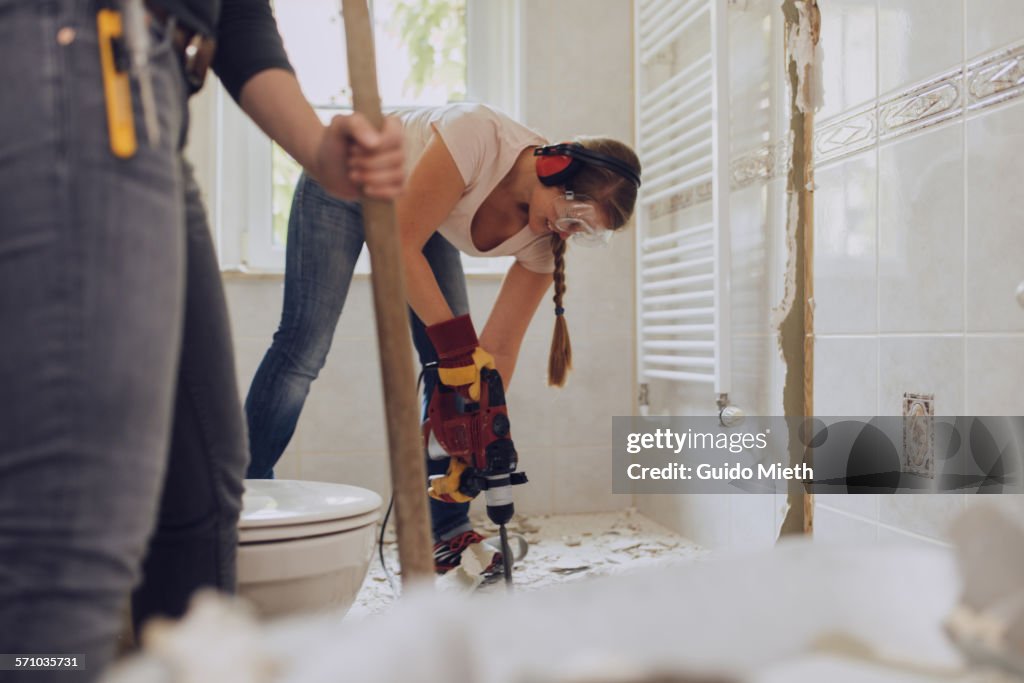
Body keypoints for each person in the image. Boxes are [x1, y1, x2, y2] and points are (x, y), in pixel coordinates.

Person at [0, 0, 404, 679]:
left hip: (145, 97)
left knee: (204, 490)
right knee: (72, 541)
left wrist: (315, 148)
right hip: (81, 67)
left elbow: (236, 14)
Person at [245, 102, 641, 576]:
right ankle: (245, 494)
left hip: (415, 211)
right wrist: (457, 354)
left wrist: (476, 422)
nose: (567, 232)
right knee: (304, 346)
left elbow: (498, 351)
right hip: (347, 179)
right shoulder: (479, 133)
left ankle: (447, 528)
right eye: (572, 215)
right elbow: (397, 243)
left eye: (584, 230)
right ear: (554, 168)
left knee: (453, 371)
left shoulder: (544, 242)